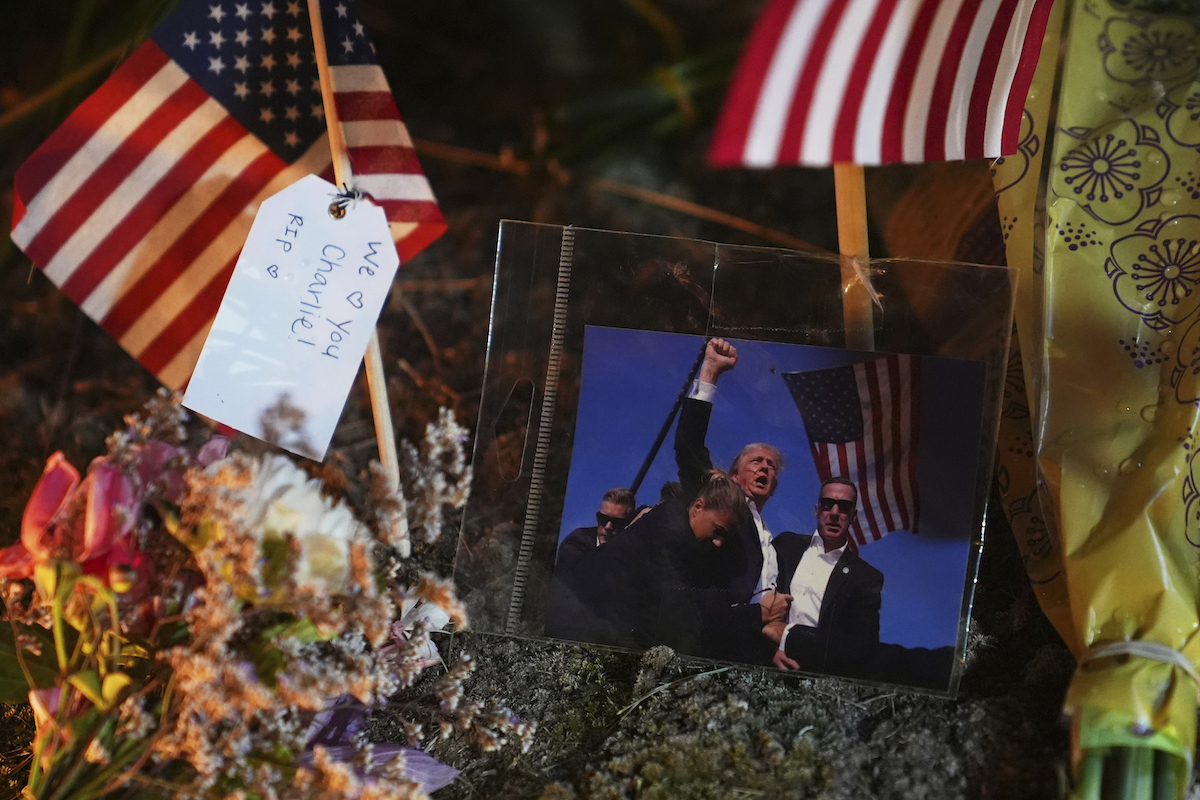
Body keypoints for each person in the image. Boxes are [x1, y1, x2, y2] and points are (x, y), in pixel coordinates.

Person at [674, 337, 790, 664]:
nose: (765, 467)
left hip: (754, 654)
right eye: (756, 461)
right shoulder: (722, 504)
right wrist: (710, 372)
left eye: (771, 466)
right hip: (708, 647)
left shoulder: (772, 543)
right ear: (735, 475)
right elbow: (689, 448)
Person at [589, 471, 752, 657]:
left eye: (726, 537)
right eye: (717, 531)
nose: (719, 543)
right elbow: (679, 623)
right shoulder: (670, 539)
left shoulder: (672, 529)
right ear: (698, 507)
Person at [769, 477, 884, 677]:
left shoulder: (866, 578)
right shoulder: (786, 545)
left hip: (819, 675)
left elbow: (863, 646)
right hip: (765, 662)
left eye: (844, 507)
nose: (834, 513)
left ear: (853, 516)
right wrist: (770, 650)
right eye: (827, 504)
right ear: (817, 510)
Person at [554, 488, 635, 572]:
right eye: (603, 518)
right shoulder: (576, 542)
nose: (607, 527)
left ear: (628, 524)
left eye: (616, 522)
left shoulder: (633, 552)